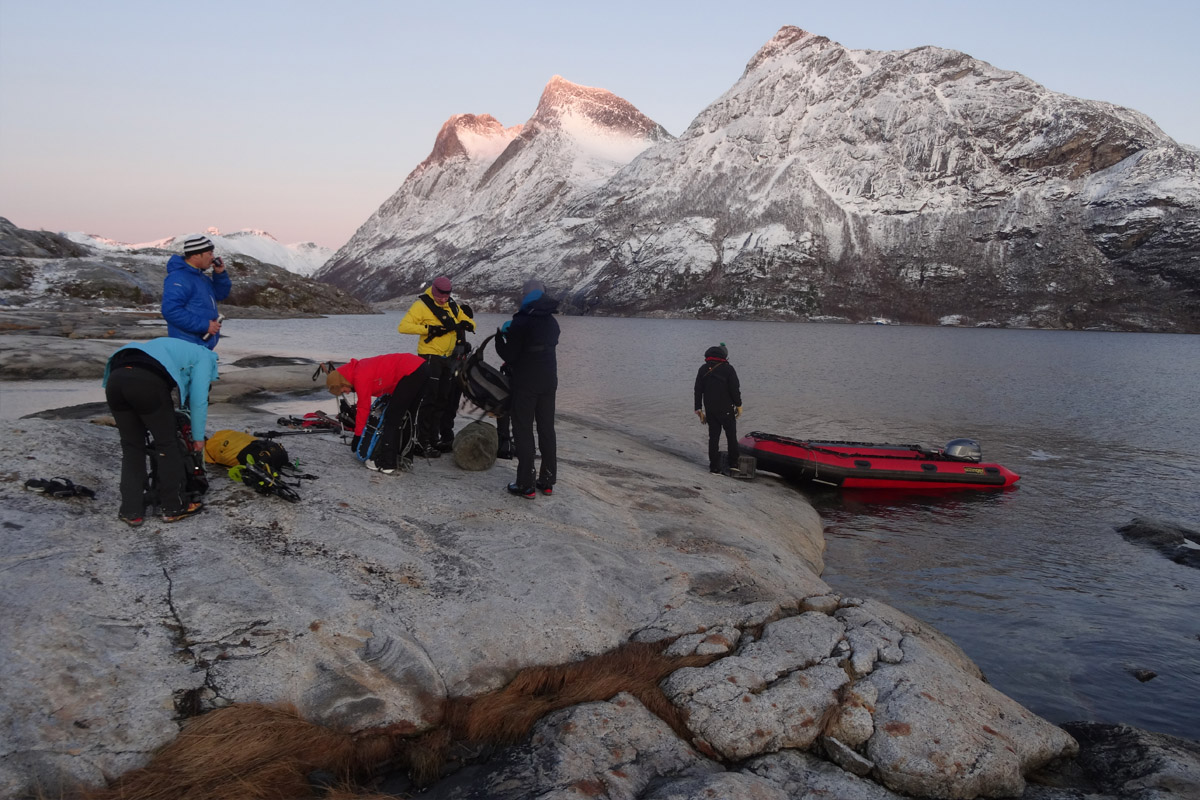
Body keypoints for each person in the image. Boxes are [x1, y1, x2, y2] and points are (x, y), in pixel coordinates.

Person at [102, 336, 219, 525]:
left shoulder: (169, 346)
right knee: (167, 444)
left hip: (116, 380)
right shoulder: (206, 357)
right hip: (146, 383)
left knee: (132, 446)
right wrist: (198, 438)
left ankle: (131, 511)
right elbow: (198, 401)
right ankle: (173, 507)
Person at [397, 276, 474, 456]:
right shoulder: (421, 305)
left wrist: (468, 324)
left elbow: (469, 321)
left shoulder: (452, 305)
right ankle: (422, 442)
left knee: (442, 399)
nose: (443, 299)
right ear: (434, 291)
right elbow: (403, 327)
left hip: (448, 358)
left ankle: (433, 439)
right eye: (440, 296)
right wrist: (428, 329)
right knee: (429, 399)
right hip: (429, 356)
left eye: (446, 296)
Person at [496, 279, 559, 498]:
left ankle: (526, 484)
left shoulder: (521, 321)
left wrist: (500, 338)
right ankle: (548, 481)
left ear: (525, 296)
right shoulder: (552, 321)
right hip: (549, 382)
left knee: (523, 429)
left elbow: (509, 355)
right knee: (546, 429)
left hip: (526, 383)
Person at [326, 353, 429, 474]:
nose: (347, 393)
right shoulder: (359, 369)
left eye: (344, 390)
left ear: (343, 382)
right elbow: (388, 380)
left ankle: (387, 464)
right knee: (407, 416)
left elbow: (363, 408)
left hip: (411, 371)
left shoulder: (360, 376)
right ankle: (404, 457)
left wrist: (358, 435)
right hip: (421, 367)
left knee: (392, 418)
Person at [162, 234, 232, 349]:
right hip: (187, 347)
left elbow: (220, 294)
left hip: (201, 346)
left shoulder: (201, 277)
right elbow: (171, 310)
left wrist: (220, 274)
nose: (213, 258)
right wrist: (205, 326)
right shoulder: (179, 278)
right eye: (209, 254)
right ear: (195, 255)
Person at [694, 344, 743, 475]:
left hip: (710, 410)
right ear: (724, 356)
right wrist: (739, 405)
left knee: (713, 437)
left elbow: (698, 390)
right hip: (726, 409)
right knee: (731, 436)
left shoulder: (703, 369)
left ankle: (714, 467)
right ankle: (733, 463)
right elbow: (734, 389)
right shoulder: (729, 369)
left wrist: (698, 409)